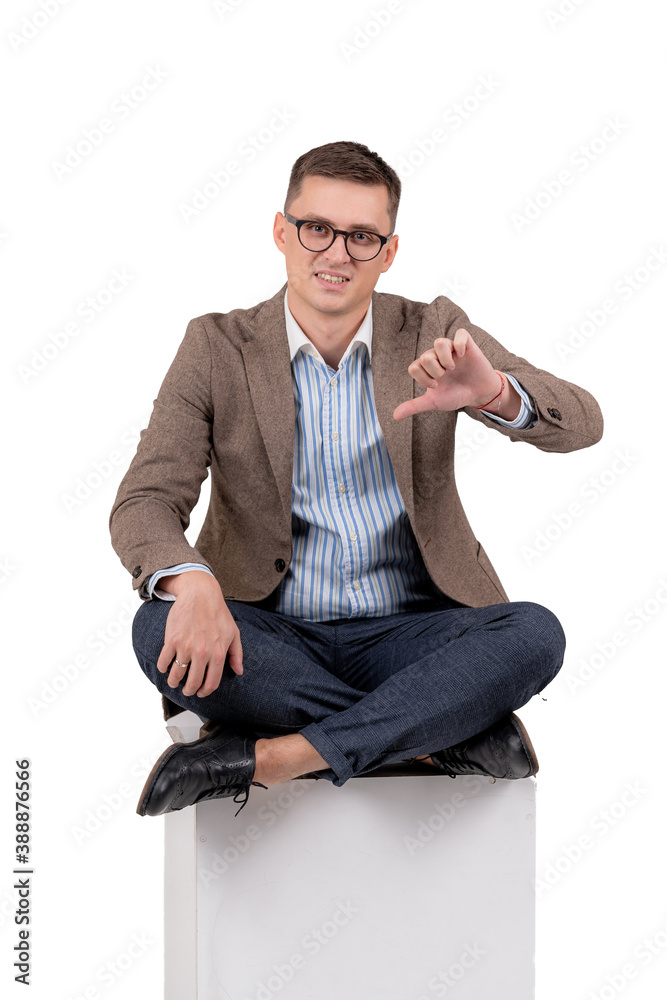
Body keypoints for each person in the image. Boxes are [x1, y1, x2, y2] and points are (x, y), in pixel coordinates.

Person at [109, 140, 602, 818]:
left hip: (412, 635)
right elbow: (145, 501)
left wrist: (492, 391)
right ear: (282, 232)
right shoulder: (216, 346)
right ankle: (439, 731)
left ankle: (277, 755)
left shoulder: (432, 329)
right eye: (317, 229)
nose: (336, 253)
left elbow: (582, 422)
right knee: (154, 628)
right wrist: (189, 581)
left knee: (533, 635)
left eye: (362, 237)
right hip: (269, 636)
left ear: (389, 251)